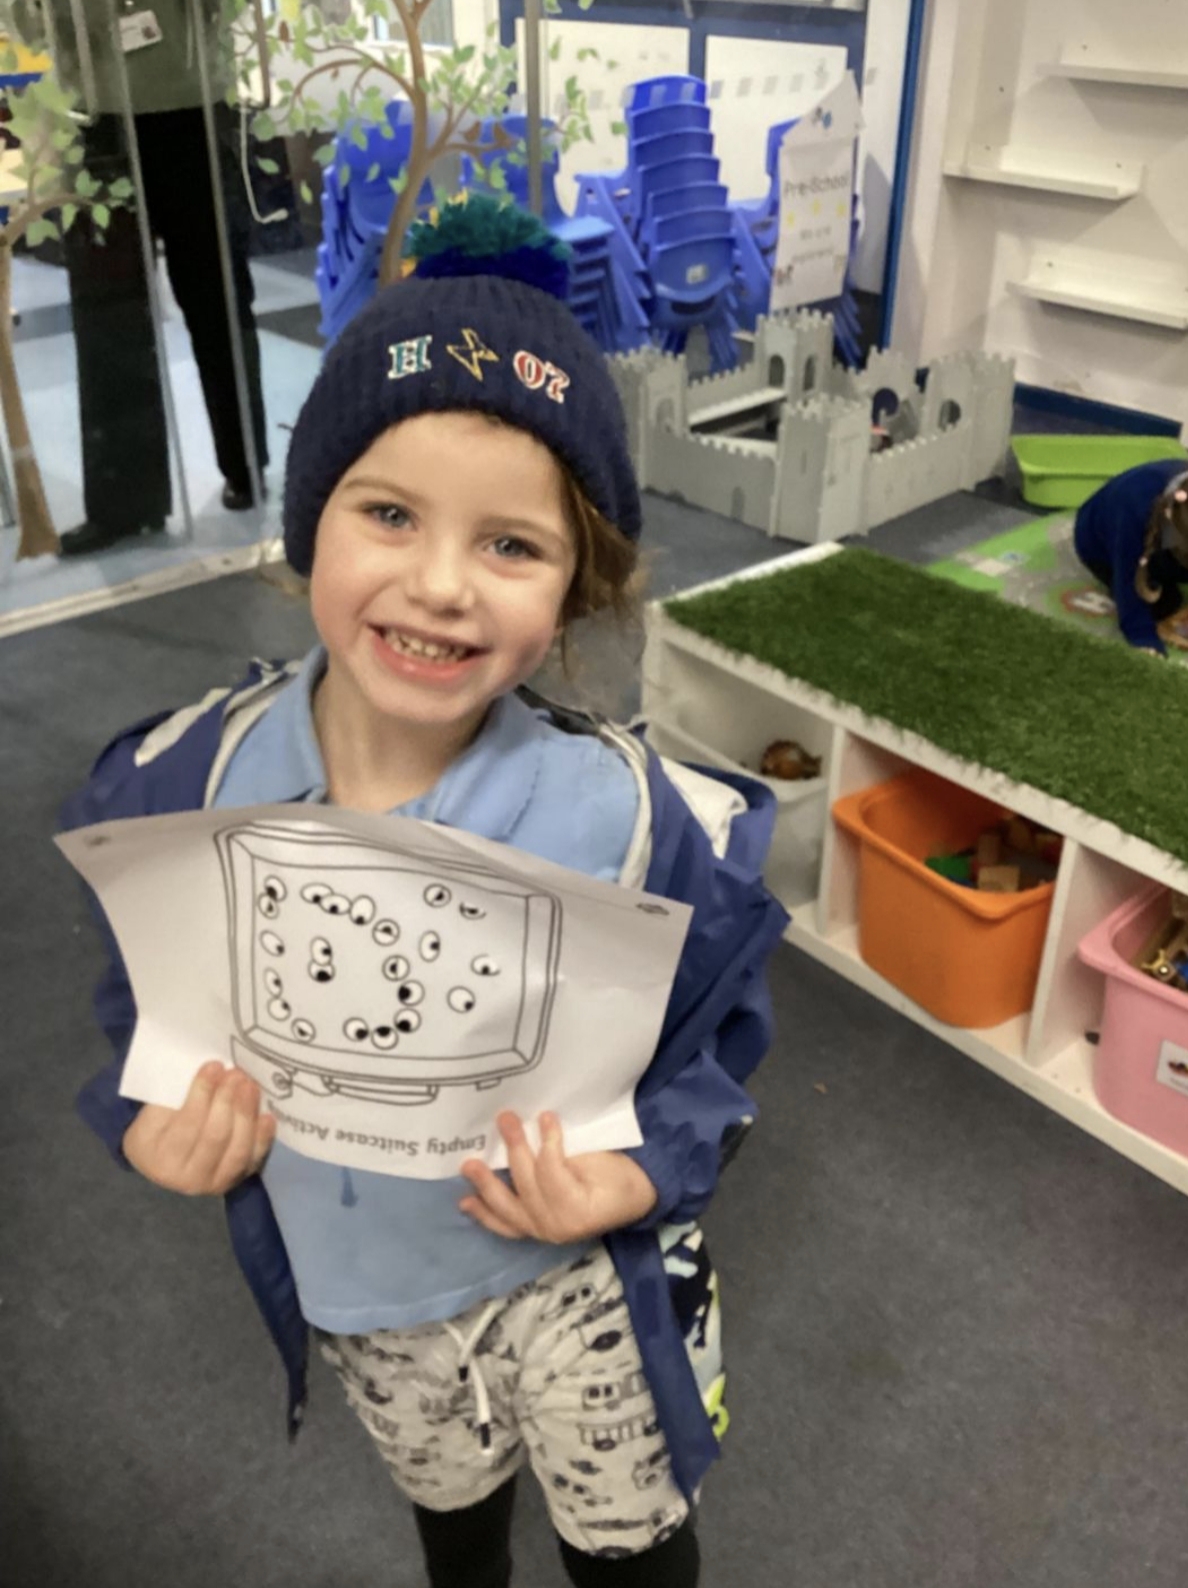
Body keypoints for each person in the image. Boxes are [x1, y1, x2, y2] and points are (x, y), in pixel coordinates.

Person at [58, 196, 788, 1587]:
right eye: (389, 513)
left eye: (512, 544)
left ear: (574, 588)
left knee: (633, 1555)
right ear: (311, 525)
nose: (443, 586)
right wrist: (150, 1119)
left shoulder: (625, 814)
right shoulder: (188, 785)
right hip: (366, 1295)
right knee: (455, 1534)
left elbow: (715, 1037)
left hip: (573, 1277)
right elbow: (144, 1002)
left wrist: (641, 1170)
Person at [16, 0, 269, 554]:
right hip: (99, 116)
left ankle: (245, 462)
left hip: (191, 107)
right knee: (109, 310)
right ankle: (126, 503)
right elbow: (30, 26)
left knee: (216, 297)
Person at [1073, 458, 1188, 654]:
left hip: (1168, 536)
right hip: (1100, 545)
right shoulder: (1135, 513)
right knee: (1163, 603)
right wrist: (1145, 640)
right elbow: (1129, 579)